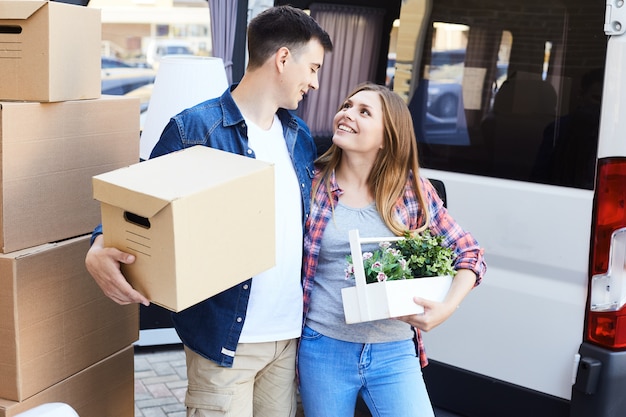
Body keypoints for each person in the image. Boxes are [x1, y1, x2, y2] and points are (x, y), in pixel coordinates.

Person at [85, 6, 332, 417]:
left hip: (287, 338)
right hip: (225, 342)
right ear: (283, 59)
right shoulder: (197, 129)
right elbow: (140, 205)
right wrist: (99, 243)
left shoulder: (298, 136)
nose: (316, 82)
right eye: (313, 67)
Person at [298, 83, 487, 417]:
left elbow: (469, 253)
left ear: (387, 136)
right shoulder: (311, 185)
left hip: (394, 351)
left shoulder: (412, 191)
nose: (346, 114)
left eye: (364, 111)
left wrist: (446, 308)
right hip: (324, 348)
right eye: (347, 105)